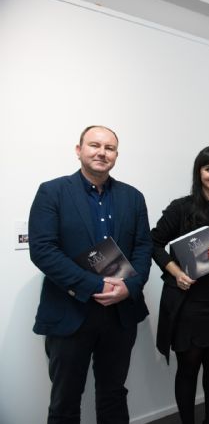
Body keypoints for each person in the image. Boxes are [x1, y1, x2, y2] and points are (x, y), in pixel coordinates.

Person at [28, 125, 153, 424]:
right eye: (94, 145)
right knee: (65, 401)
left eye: (109, 148)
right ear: (79, 150)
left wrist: (130, 287)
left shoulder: (133, 197)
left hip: (120, 314)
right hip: (71, 312)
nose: (102, 152)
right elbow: (43, 250)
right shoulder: (52, 192)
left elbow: (143, 247)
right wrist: (96, 284)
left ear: (116, 155)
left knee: (113, 395)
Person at [150, 146, 209, 424]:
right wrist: (175, 272)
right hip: (187, 303)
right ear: (199, 172)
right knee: (187, 370)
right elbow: (153, 243)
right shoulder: (181, 208)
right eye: (208, 168)